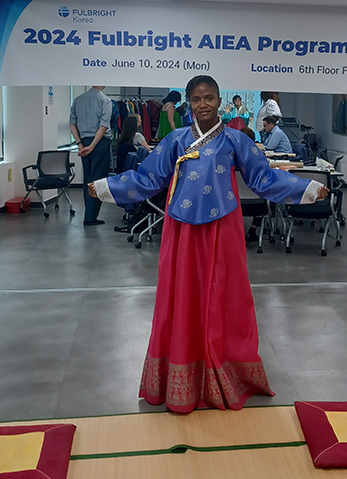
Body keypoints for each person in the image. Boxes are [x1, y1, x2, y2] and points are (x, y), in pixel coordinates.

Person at [88, 75, 328, 413]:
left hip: (223, 227)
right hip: (181, 229)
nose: (204, 104)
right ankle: (183, 365)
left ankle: (224, 370)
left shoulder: (235, 140)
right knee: (181, 294)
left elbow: (263, 177)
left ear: (219, 101)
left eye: (210, 98)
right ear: (189, 103)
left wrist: (306, 189)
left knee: (225, 296)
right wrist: (106, 187)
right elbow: (148, 178)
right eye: (197, 99)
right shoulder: (175, 140)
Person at [69, 86, 112, 226]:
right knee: (97, 180)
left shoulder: (77, 100)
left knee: (87, 178)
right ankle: (90, 217)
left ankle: (89, 214)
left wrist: (79, 144)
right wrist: (93, 145)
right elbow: (103, 126)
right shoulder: (105, 100)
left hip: (84, 142)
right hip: (99, 143)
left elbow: (72, 124)